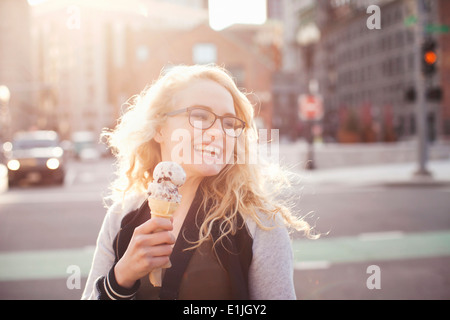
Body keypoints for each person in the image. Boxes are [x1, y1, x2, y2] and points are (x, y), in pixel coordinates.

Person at [81, 64, 317, 300]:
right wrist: (120, 279)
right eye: (200, 116)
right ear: (159, 128)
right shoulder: (121, 216)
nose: (218, 133)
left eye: (229, 123)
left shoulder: (260, 223)